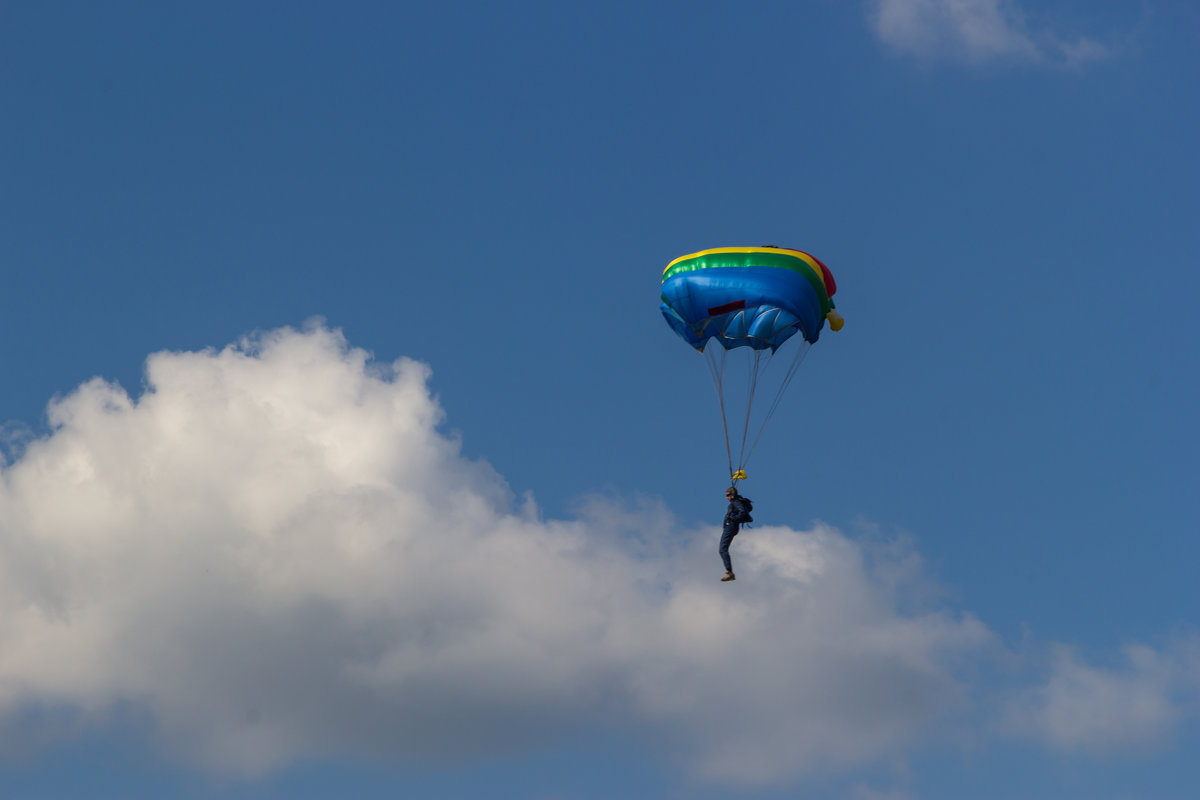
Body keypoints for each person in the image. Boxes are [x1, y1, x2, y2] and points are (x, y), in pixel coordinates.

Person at [719, 486, 753, 582]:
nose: (727, 497)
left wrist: (733, 519)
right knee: (722, 549)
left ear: (732, 495)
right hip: (731, 527)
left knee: (722, 549)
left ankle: (729, 572)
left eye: (728, 495)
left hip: (730, 526)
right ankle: (729, 572)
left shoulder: (736, 502)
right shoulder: (736, 502)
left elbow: (742, 513)